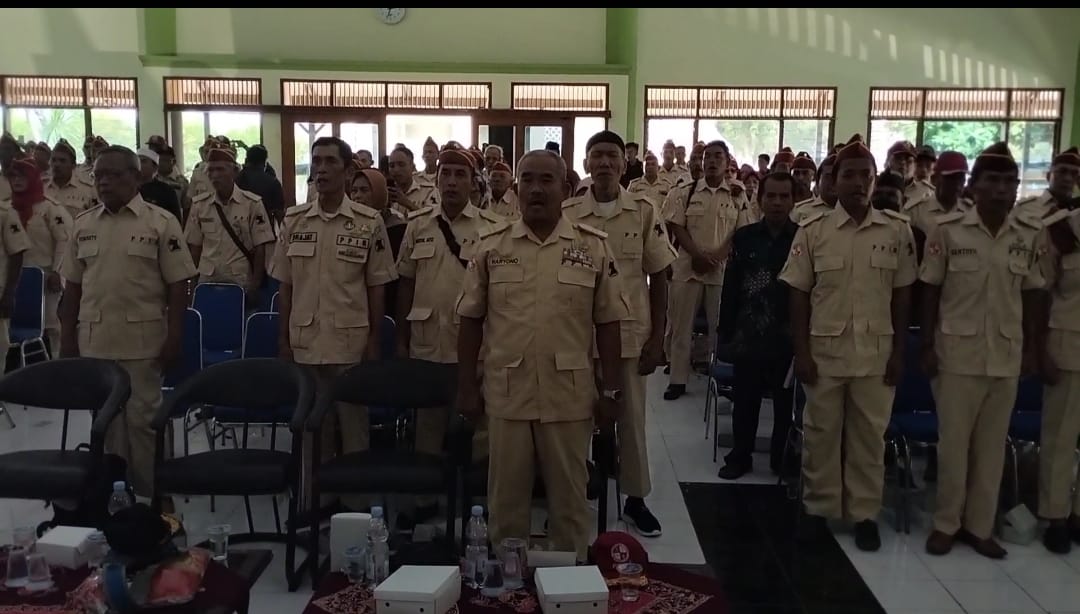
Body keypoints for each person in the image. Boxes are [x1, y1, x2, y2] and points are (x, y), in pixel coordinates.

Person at [455, 149, 628, 560]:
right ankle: (508, 580)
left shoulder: (592, 247)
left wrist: (611, 389)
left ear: (566, 189)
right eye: (528, 180)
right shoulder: (491, 246)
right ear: (516, 189)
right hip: (507, 393)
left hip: (568, 394)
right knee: (506, 501)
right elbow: (470, 319)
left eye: (546, 180)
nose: (536, 189)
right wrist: (466, 387)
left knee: (569, 501)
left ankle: (569, 579)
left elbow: (609, 323)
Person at [778, 134, 917, 552]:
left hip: (876, 354)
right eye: (850, 175)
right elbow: (798, 294)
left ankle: (863, 514)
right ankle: (818, 508)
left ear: (875, 180)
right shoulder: (813, 231)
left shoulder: (896, 231)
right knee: (820, 434)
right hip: (824, 353)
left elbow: (903, 296)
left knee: (869, 438)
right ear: (834, 181)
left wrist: (899, 353)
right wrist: (801, 353)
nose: (858, 182)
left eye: (866, 176)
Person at [920, 142, 1045, 559]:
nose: (1002, 189)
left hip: (1005, 355)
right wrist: (927, 345)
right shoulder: (949, 230)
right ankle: (946, 524)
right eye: (992, 180)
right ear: (973, 185)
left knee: (991, 449)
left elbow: (1032, 294)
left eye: (1010, 182)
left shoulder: (1026, 236)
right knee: (953, 446)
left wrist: (1032, 348)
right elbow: (930, 289)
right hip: (956, 354)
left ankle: (979, 527)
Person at [59, 145, 196, 497]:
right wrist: (67, 338)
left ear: (135, 177)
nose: (104, 182)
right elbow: (72, 288)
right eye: (99, 175)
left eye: (114, 175)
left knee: (143, 423)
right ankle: (116, 501)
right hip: (96, 342)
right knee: (106, 424)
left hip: (143, 344)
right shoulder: (83, 225)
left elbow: (178, 285)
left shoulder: (160, 222)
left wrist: (175, 336)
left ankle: (153, 500)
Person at [563, 131, 676, 537]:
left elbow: (659, 275)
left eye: (612, 156)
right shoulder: (569, 212)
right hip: (577, 335)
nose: (605, 163)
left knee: (631, 421)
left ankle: (635, 499)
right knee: (575, 417)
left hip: (630, 334)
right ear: (586, 164)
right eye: (597, 156)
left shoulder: (643, 211)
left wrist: (658, 338)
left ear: (624, 164)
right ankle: (574, 493)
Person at [717, 173, 798, 479]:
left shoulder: (803, 238)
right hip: (748, 336)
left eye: (784, 196)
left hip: (787, 337)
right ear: (760, 199)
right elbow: (731, 287)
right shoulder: (744, 237)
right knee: (745, 402)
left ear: (793, 200)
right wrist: (725, 332)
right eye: (771, 196)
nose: (777, 202)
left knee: (784, 405)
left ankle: (781, 458)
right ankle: (740, 457)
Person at [1038, 197, 1080, 553]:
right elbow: (1041, 294)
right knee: (1061, 437)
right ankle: (1055, 516)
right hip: (1068, 347)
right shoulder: (1061, 229)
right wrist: (1041, 350)